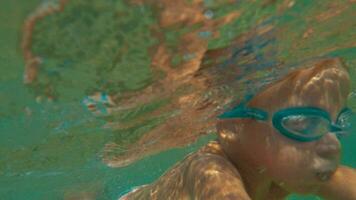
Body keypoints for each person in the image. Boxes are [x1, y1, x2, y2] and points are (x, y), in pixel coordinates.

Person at [119, 58, 356, 200]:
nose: (332, 144)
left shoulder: (285, 169)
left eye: (336, 123)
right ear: (232, 129)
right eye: (304, 123)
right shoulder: (209, 168)